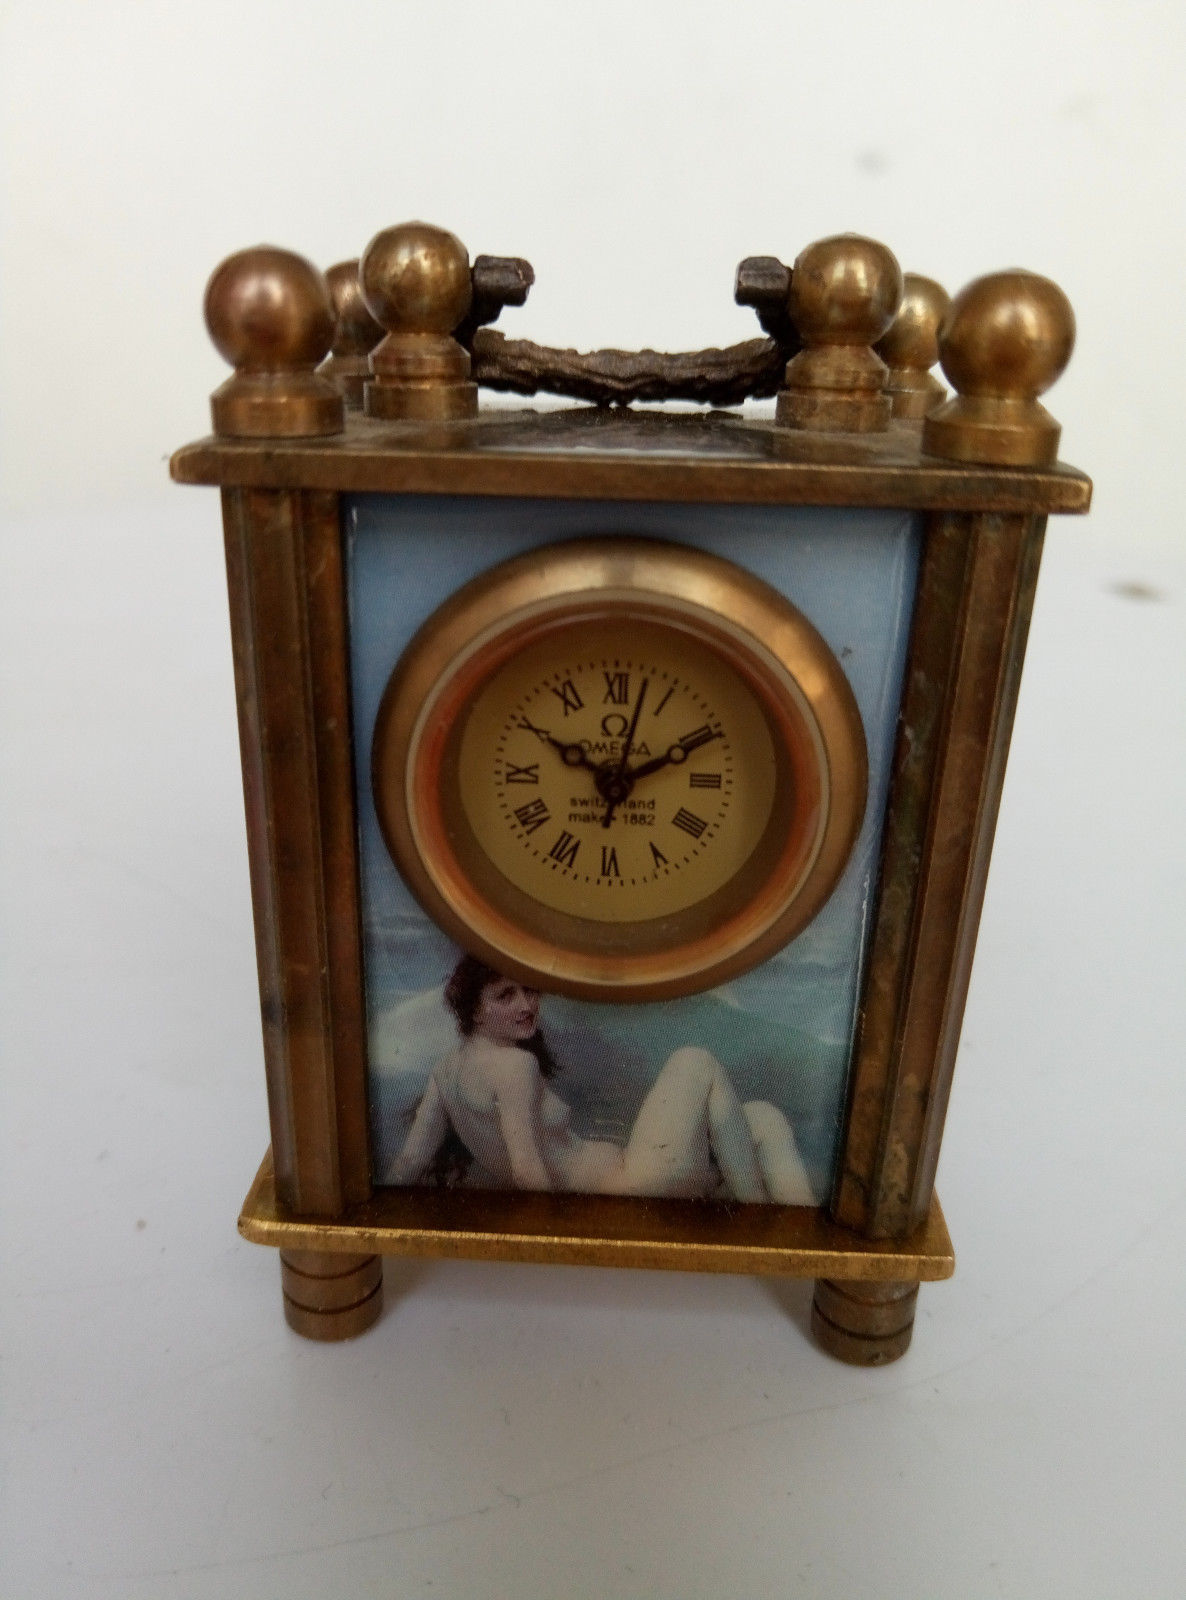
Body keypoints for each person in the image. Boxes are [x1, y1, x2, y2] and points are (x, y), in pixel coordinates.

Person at [385, 954, 817, 1204]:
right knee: (695, 1061)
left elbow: (409, 1162)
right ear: (475, 1011)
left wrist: (384, 1209)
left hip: (635, 1175)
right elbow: (527, 1169)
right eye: (505, 995)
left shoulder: (445, 1072)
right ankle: (753, 1216)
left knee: (764, 1119)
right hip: (633, 1185)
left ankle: (792, 1233)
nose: (526, 1005)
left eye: (530, 990)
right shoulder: (513, 1067)